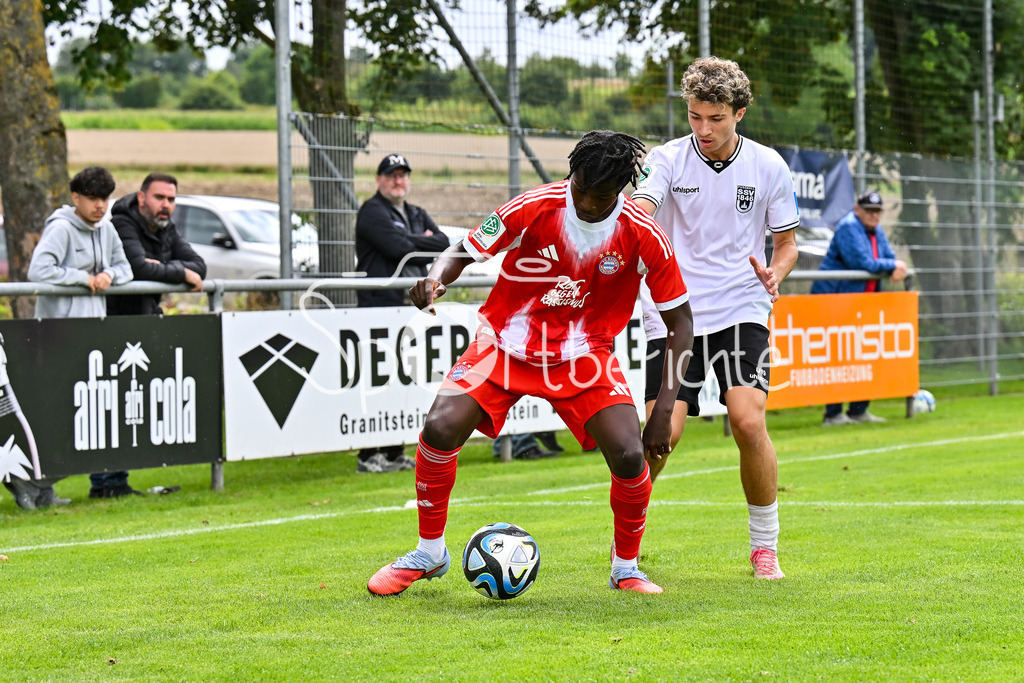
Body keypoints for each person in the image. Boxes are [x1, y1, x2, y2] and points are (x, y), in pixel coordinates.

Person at [366, 130, 694, 596]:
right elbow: (463, 250)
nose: (582, 201)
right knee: (440, 426)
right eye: (578, 186)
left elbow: (681, 323)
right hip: (505, 345)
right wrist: (435, 279)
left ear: (619, 191)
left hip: (584, 356)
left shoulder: (643, 235)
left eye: (597, 197)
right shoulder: (535, 205)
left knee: (629, 455)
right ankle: (429, 552)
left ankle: (626, 567)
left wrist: (663, 409)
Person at [631, 56, 800, 580]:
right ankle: (625, 550)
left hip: (742, 305)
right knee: (665, 433)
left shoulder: (769, 166)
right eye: (695, 116)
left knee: (748, 420)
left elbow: (788, 244)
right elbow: (643, 206)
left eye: (716, 118)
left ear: (740, 113)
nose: (703, 128)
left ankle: (764, 547)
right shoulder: (668, 159)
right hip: (674, 310)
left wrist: (775, 273)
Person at [10, 167, 134, 509]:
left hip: (91, 334)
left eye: (105, 199)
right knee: (60, 415)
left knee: (79, 417)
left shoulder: (107, 229)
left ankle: (41, 488)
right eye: (93, 199)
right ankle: (27, 479)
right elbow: (39, 270)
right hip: (57, 334)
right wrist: (82, 278)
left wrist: (108, 274)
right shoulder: (62, 228)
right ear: (75, 198)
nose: (100, 206)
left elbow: (125, 268)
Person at [98, 172, 205, 497]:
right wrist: (178, 271)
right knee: (108, 406)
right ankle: (105, 483)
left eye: (171, 200)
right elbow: (136, 268)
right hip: (112, 325)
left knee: (129, 406)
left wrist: (170, 268)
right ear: (142, 197)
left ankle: (115, 482)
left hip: (141, 324)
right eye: (160, 198)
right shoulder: (122, 222)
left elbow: (199, 265)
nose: (166, 206)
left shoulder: (165, 226)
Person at [354, 154, 450, 473]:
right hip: (378, 307)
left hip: (409, 308)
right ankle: (369, 454)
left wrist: (417, 241)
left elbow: (442, 242)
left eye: (403, 175)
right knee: (379, 377)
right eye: (392, 175)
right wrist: (416, 241)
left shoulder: (415, 212)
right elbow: (398, 249)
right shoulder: (371, 211)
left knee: (405, 376)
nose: (398, 181)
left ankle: (394, 453)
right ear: (379, 180)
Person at [811, 189, 908, 425]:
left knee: (863, 355)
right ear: (857, 210)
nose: (874, 216)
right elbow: (863, 262)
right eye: (869, 211)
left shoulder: (876, 230)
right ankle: (833, 413)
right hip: (835, 300)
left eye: (877, 211)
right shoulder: (848, 227)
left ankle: (858, 409)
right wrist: (894, 265)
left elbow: (886, 255)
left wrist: (892, 263)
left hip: (862, 302)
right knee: (837, 356)